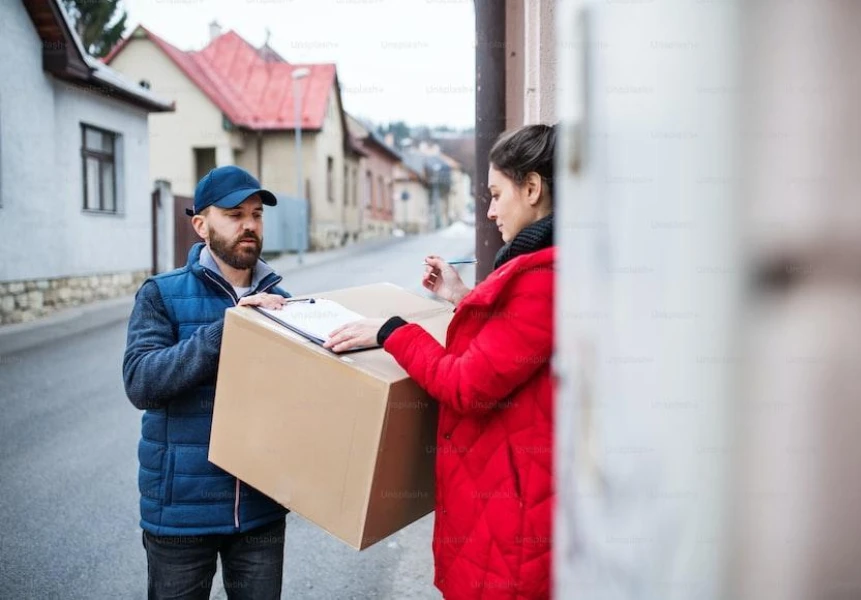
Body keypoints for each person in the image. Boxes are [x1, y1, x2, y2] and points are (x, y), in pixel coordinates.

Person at [333, 124, 557, 599]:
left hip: (510, 518)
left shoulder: (545, 276)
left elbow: (467, 385)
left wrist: (391, 331)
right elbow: (511, 344)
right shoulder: (544, 268)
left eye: (497, 195)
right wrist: (463, 297)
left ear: (532, 188)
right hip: (508, 498)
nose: (492, 210)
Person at [123, 165, 291, 600]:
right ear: (201, 225)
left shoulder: (284, 303)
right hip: (181, 514)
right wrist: (227, 329)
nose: (249, 224)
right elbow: (142, 383)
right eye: (234, 214)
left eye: (256, 214)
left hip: (259, 511)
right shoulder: (160, 294)